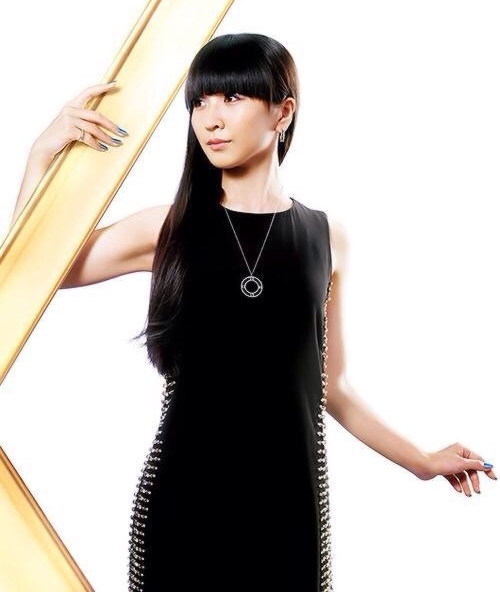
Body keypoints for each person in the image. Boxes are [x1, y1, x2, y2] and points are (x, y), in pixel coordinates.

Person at [10, 33, 496, 592]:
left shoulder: (327, 238)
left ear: (282, 112)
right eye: (199, 102)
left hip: (289, 510)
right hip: (184, 505)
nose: (210, 119)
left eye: (232, 98)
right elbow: (40, 267)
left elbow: (331, 387)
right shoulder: (168, 228)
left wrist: (422, 460)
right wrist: (40, 154)